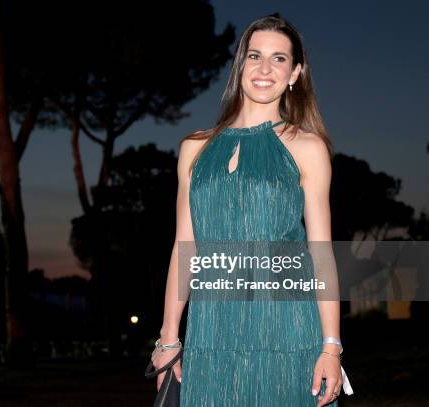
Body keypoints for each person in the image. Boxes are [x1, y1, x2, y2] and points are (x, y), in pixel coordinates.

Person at [151, 15, 353, 406]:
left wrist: (331, 347)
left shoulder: (307, 147)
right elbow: (185, 247)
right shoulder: (194, 148)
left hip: (288, 331)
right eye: (254, 56)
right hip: (212, 333)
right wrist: (168, 338)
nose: (264, 69)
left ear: (295, 73)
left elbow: (322, 253)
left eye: (279, 59)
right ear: (239, 66)